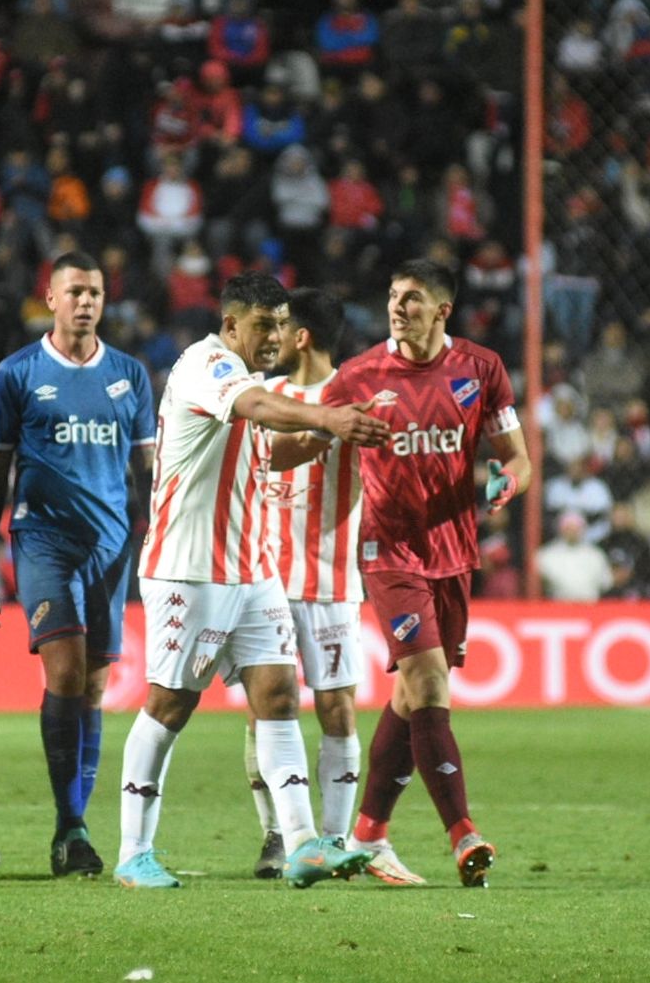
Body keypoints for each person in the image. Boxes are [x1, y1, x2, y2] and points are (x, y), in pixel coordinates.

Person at [115, 271, 391, 889]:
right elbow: (258, 409)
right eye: (263, 325)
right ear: (231, 324)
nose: (275, 336)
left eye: (281, 324)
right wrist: (325, 414)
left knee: (278, 698)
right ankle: (134, 852)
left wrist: (331, 431)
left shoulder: (254, 385)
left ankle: (301, 844)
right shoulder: (204, 367)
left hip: (253, 568)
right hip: (190, 570)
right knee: (169, 705)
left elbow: (270, 448)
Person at [323, 259, 532, 887]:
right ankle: (463, 833)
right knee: (430, 685)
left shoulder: (481, 369)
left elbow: (517, 457)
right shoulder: (358, 376)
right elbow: (307, 447)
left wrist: (507, 481)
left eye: (411, 299)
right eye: (392, 295)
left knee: (410, 696)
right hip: (387, 551)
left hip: (453, 551)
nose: (397, 306)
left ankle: (367, 835)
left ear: (442, 310)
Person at [0, 251, 157, 878]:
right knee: (67, 671)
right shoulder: (17, 374)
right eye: (74, 291)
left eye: (95, 293)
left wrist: (157, 535)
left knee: (96, 686)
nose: (85, 302)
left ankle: (70, 824)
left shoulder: (129, 375)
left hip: (111, 545)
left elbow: (147, 471)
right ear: (49, 297)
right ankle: (72, 824)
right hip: (43, 539)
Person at [244, 288, 416, 882]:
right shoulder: (264, 398)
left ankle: (338, 838)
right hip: (263, 580)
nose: (271, 339)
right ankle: (276, 834)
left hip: (331, 580)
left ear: (302, 337)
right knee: (266, 707)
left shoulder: (361, 396)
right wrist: (327, 432)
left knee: (338, 711)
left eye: (282, 328)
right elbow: (266, 461)